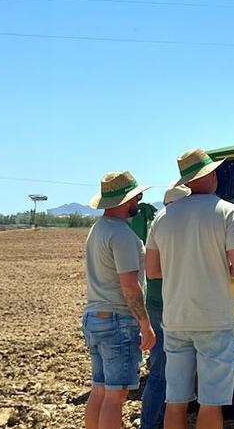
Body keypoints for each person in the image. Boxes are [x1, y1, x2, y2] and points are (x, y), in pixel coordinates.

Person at [146, 149, 234, 429]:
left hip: (176, 319)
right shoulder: (226, 212)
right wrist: (218, 267)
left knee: (176, 398)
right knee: (211, 401)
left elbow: (153, 271)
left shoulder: (162, 217)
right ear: (211, 175)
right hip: (213, 319)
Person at [82, 171, 158, 429]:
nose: (139, 200)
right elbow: (129, 286)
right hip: (118, 321)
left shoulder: (97, 230)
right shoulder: (123, 236)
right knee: (116, 397)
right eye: (137, 196)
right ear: (126, 201)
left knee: (100, 391)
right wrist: (145, 324)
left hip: (95, 317)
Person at [132, 184, 191, 429]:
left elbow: (151, 270)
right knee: (161, 371)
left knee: (160, 368)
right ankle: (151, 424)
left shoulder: (158, 226)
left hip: (156, 305)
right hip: (170, 307)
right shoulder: (182, 230)